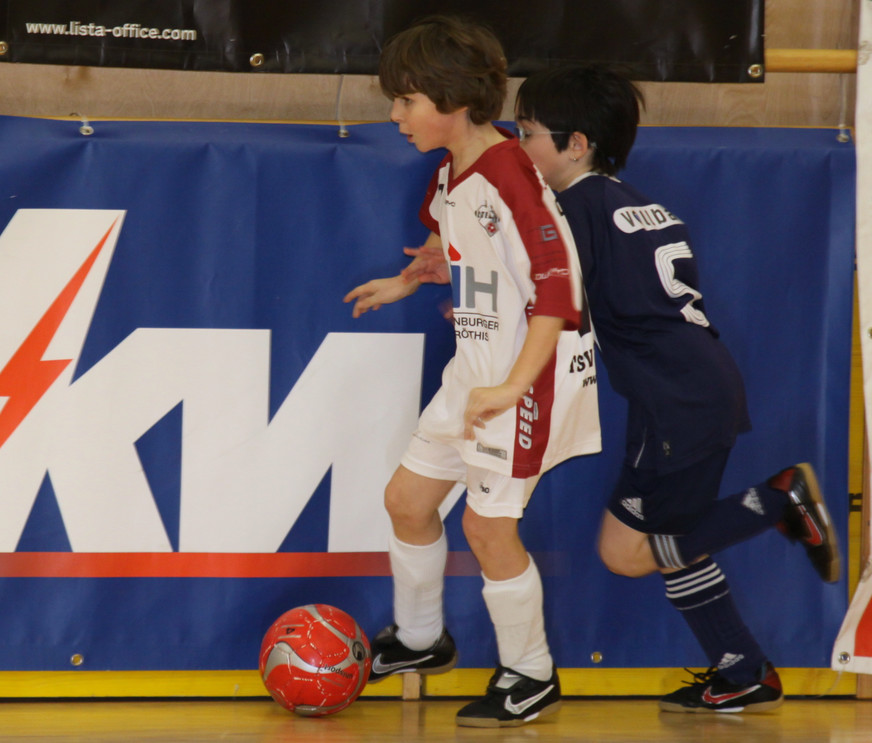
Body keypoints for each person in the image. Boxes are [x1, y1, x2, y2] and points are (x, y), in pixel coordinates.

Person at [502, 64, 841, 713]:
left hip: (677, 401)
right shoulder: (633, 201)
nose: (520, 147)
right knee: (637, 545)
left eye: (529, 133)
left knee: (633, 552)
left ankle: (777, 500)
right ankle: (743, 670)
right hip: (681, 393)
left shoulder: (574, 209)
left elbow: (556, 302)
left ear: (576, 144)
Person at [343, 16, 600, 728]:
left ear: (453, 100)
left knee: (488, 530)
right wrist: (411, 278)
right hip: (477, 371)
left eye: (406, 101)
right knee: (407, 500)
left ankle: (532, 673)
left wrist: (513, 386)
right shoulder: (450, 170)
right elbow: (447, 240)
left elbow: (558, 290)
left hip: (528, 378)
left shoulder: (510, 173)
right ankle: (422, 638)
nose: (395, 115)